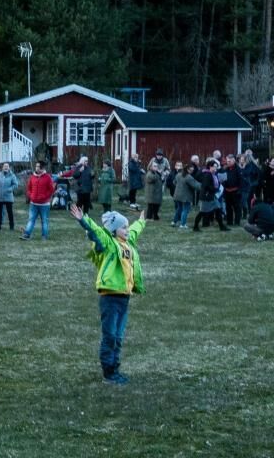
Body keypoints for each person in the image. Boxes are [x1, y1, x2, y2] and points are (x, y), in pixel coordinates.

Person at [68, 200, 147, 384]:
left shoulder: (128, 243)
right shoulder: (109, 244)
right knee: (110, 335)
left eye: (127, 227)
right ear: (114, 230)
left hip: (124, 298)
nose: (127, 230)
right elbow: (97, 232)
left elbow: (135, 231)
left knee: (118, 336)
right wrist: (83, 220)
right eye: (123, 228)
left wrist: (141, 221)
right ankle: (108, 372)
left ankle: (115, 369)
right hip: (110, 298)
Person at [22, 160, 56, 239]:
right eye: (36, 166)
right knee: (31, 220)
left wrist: (44, 197)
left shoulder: (47, 177)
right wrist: (31, 196)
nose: (36, 168)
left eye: (38, 166)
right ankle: (27, 234)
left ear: (42, 168)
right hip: (33, 204)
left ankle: (44, 236)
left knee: (44, 221)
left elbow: (51, 190)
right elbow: (29, 189)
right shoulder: (32, 177)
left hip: (44, 205)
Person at [0, 162, 19, 231]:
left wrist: (10, 189)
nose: (6, 167)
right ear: (2, 167)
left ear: (9, 167)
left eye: (7, 166)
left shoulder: (12, 175)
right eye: (4, 166)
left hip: (8, 197)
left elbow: (16, 184)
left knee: (10, 212)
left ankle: (11, 226)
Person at [172, 162, 198, 230]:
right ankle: (183, 224)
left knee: (179, 209)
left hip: (177, 195)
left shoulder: (178, 174)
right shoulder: (189, 177)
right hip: (185, 197)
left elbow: (174, 182)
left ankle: (174, 222)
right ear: (187, 169)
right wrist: (204, 186)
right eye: (191, 170)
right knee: (185, 210)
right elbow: (196, 185)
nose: (192, 172)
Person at [143, 155, 166, 221]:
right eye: (154, 166)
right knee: (150, 206)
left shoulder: (156, 173)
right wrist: (158, 174)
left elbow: (160, 180)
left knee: (156, 205)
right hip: (151, 193)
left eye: (156, 166)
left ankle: (155, 216)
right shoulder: (149, 173)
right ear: (151, 167)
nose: (156, 167)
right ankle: (148, 217)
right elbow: (151, 179)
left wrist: (162, 177)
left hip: (157, 192)